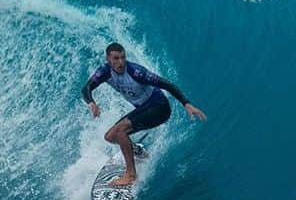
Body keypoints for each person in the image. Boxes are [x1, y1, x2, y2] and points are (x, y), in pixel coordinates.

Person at [81, 42, 206, 188]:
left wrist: (186, 103)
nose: (120, 62)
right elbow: (86, 88)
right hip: (143, 109)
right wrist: (91, 103)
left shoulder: (136, 72)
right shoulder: (104, 72)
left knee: (121, 131)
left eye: (123, 57)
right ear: (108, 59)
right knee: (110, 136)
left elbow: (167, 84)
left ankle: (131, 175)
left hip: (159, 108)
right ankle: (138, 152)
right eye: (116, 58)